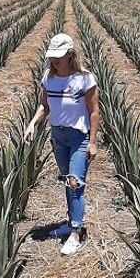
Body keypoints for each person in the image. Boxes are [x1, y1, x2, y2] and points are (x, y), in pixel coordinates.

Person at [24, 33, 100, 256]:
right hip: (58, 137)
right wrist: (32, 124)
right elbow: (44, 107)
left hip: (79, 138)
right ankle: (70, 222)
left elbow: (94, 112)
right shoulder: (49, 77)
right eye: (52, 56)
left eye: (59, 56)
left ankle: (75, 233)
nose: (55, 60)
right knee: (68, 181)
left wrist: (93, 142)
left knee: (75, 182)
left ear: (70, 54)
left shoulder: (84, 78)